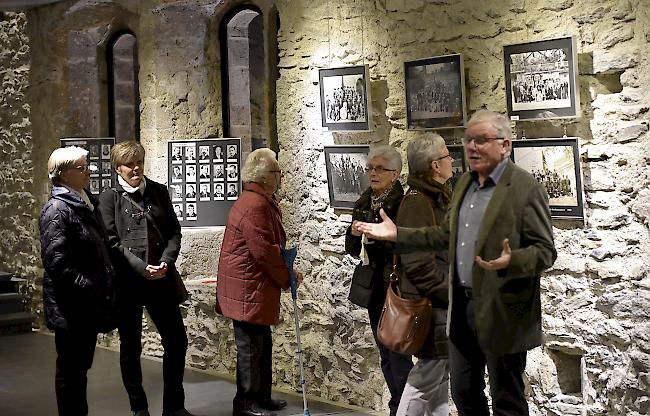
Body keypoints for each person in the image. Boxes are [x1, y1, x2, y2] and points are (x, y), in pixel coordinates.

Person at [355, 110, 557, 416]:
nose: (472, 147)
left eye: (482, 140)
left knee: (507, 398)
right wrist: (400, 234)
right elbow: (443, 235)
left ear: (504, 145)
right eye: (469, 140)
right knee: (464, 391)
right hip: (462, 310)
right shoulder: (464, 186)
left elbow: (545, 251)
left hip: (502, 308)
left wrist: (512, 260)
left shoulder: (526, 189)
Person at [98, 141, 193, 416]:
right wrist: (142, 268)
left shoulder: (159, 192)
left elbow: (174, 232)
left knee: (176, 341)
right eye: (129, 164)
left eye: (139, 161)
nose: (136, 168)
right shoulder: (109, 198)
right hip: (128, 283)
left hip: (161, 280)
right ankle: (139, 408)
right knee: (131, 346)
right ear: (118, 168)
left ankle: (174, 406)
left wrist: (165, 261)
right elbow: (111, 242)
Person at [216, 148, 303, 416]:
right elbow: (263, 250)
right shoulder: (254, 205)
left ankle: (262, 397)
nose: (280, 177)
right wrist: (287, 276)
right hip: (247, 286)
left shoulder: (258, 199)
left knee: (261, 344)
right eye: (277, 172)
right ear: (266, 177)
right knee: (250, 349)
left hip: (252, 286)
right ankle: (245, 403)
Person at [39, 146, 116, 415]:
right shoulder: (57, 210)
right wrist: (90, 286)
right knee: (71, 372)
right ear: (63, 175)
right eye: (82, 168)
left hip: (85, 306)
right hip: (71, 307)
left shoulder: (83, 201)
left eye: (88, 166)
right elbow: (57, 262)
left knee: (80, 370)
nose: (89, 171)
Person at [345, 145, 411, 416]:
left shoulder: (403, 204)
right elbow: (352, 249)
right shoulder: (363, 203)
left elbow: (408, 247)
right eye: (370, 168)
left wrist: (383, 237)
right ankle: (398, 404)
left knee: (398, 354)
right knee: (384, 352)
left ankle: (405, 408)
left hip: (395, 288)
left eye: (379, 168)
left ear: (395, 174)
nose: (373, 173)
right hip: (374, 289)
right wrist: (353, 233)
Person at [395, 133, 453, 416]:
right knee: (425, 379)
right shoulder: (418, 203)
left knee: (439, 378)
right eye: (446, 155)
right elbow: (418, 264)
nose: (452, 159)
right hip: (431, 306)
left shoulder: (436, 197)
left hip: (440, 306)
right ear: (434, 165)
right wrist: (451, 291)